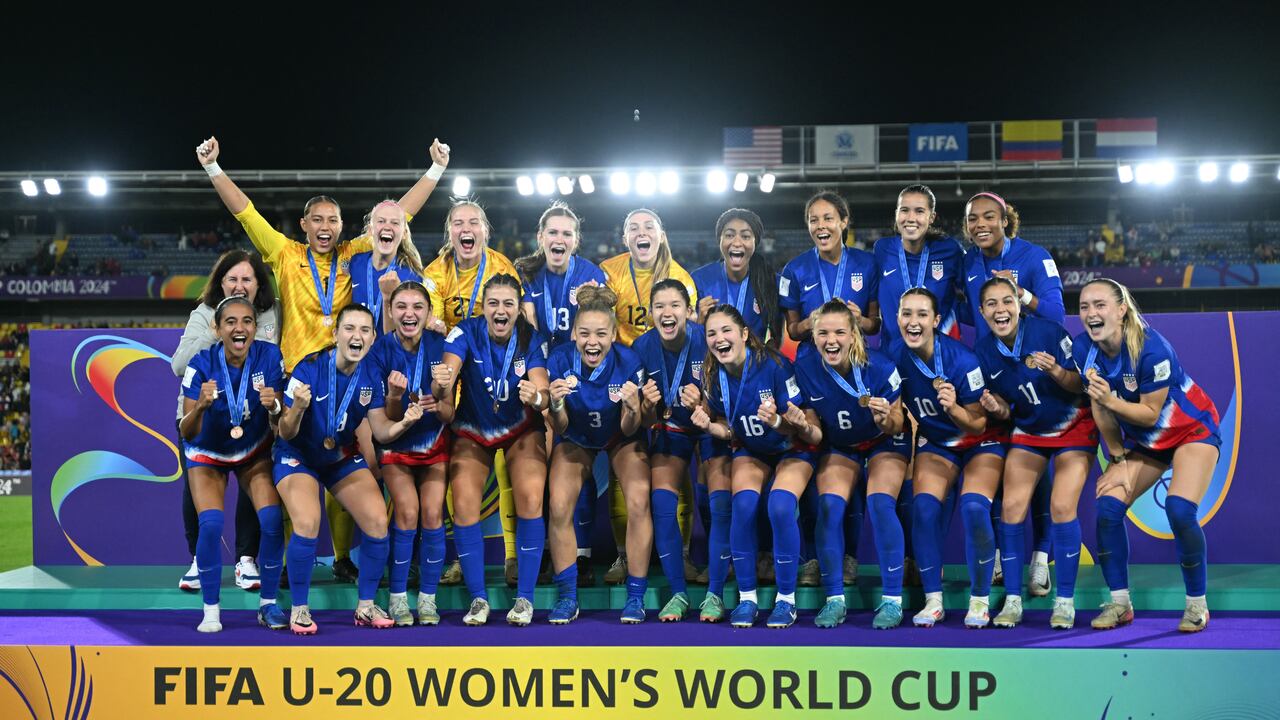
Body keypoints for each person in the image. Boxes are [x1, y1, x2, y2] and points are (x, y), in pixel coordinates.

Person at [197, 135, 449, 584]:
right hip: (300, 380)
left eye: (333, 220)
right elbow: (246, 214)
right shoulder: (285, 255)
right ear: (305, 224)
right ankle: (292, 563)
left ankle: (343, 558)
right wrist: (214, 168)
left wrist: (433, 171)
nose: (326, 227)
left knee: (350, 460)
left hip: (351, 376)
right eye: (317, 220)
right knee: (295, 466)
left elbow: (397, 217)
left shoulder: (352, 253)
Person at [1074, 279, 1220, 632]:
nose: (1091, 313)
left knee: (1179, 509)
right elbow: (1100, 407)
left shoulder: (1152, 349)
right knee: (1108, 508)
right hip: (1147, 443)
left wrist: (1109, 399)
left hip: (1191, 431)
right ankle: (1120, 604)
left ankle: (1196, 605)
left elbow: (1151, 414)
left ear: (1121, 310)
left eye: (1100, 305)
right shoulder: (1083, 350)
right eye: (1084, 307)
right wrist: (1118, 459)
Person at [274, 304, 423, 634]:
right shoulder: (309, 368)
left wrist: (405, 424)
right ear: (335, 334)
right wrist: (297, 408)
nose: (357, 336)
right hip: (298, 456)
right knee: (308, 521)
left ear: (372, 338)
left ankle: (366, 607)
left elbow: (381, 431)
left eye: (364, 330)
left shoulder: (371, 376)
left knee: (376, 521)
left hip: (340, 456)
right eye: (350, 329)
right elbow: (285, 431)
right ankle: (299, 609)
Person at [974, 278, 1096, 629]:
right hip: (1030, 430)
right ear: (982, 312)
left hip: (1074, 424)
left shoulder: (1048, 331)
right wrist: (995, 406)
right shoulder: (984, 352)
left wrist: (1057, 371)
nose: (1001, 310)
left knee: (1060, 506)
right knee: (1011, 507)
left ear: (1018, 304)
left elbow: (1081, 382)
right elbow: (1006, 408)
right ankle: (1012, 601)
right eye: (992, 304)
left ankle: (1065, 602)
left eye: (1007, 302)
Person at [691, 305, 820, 629]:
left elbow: (798, 425)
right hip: (752, 448)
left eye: (726, 331)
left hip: (792, 448)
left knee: (779, 506)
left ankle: (786, 601)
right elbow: (731, 430)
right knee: (744, 505)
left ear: (745, 334)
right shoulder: (713, 375)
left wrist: (778, 420)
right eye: (711, 333)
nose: (719, 339)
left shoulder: (775, 366)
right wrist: (709, 427)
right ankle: (747, 598)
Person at [961, 191, 1066, 590]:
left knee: (1036, 465)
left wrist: (1017, 293)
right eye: (973, 219)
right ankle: (1006, 561)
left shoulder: (1034, 256)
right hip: (993, 368)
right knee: (1000, 461)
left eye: (989, 217)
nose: (981, 225)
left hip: (1037, 366)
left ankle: (1041, 557)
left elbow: (1056, 314)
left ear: (1006, 220)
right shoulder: (970, 261)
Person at [435, 273, 550, 626]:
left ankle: (525, 600)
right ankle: (479, 599)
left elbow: (544, 392)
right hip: (473, 429)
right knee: (465, 504)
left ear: (518, 309)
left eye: (508, 304)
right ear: (483, 307)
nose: (500, 310)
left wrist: (538, 396)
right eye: (493, 303)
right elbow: (450, 369)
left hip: (519, 428)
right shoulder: (463, 332)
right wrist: (443, 381)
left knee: (530, 497)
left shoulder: (531, 336)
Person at [889, 288, 1004, 628]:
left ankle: (980, 601)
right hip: (937, 442)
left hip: (979, 441)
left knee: (973, 507)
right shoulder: (893, 355)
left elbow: (980, 422)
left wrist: (952, 407)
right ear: (897, 319)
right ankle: (933, 600)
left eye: (922, 314)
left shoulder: (962, 361)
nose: (913, 322)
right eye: (906, 314)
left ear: (936, 321)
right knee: (923, 509)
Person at [423, 199, 522, 587]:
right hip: (452, 367)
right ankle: (465, 560)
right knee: (457, 470)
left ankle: (513, 557)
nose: (467, 229)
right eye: (458, 223)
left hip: (495, 370)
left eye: (474, 222)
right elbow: (429, 316)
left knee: (506, 465)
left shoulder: (501, 267)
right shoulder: (436, 271)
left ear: (485, 230)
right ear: (450, 233)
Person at [795, 300, 911, 629]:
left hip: (884, 441)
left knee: (880, 504)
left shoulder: (881, 366)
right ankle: (834, 599)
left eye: (839, 333)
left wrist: (885, 418)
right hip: (841, 445)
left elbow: (899, 423)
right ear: (813, 336)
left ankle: (892, 601)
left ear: (854, 335)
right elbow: (815, 431)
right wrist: (802, 426)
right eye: (823, 333)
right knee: (829, 507)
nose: (831, 340)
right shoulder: (805, 368)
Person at [599, 209, 699, 583]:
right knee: (621, 464)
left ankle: (684, 554)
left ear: (661, 234)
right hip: (624, 377)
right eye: (633, 228)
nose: (641, 234)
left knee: (676, 462)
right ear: (625, 238)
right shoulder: (608, 271)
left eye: (649, 227)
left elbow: (691, 335)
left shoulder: (680, 278)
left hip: (667, 378)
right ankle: (624, 556)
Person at [544, 285, 653, 624]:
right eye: (585, 333)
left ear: (614, 334)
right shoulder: (559, 360)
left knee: (638, 499)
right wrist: (556, 403)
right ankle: (568, 597)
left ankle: (635, 597)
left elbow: (631, 427)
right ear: (574, 333)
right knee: (559, 504)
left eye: (601, 334)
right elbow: (560, 427)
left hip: (619, 436)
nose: (593, 342)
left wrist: (634, 409)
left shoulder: (629, 361)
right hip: (576, 437)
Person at [172, 250, 279, 593]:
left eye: (247, 279)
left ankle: (246, 559)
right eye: (232, 279)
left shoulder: (274, 311)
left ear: (258, 284)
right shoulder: (203, 314)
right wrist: (219, 326)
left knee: (253, 488)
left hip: (252, 416)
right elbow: (179, 365)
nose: (239, 285)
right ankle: (198, 559)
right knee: (196, 491)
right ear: (220, 283)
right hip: (202, 413)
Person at [178, 296, 287, 632]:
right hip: (207, 451)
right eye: (231, 322)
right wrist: (200, 408)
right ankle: (211, 611)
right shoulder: (200, 363)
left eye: (247, 321)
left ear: (255, 327)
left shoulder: (270, 357)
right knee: (210, 525)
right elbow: (186, 428)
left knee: (270, 520)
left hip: (252, 451)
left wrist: (276, 407)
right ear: (217, 328)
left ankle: (268, 605)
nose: (239, 328)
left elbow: (282, 420)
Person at [515, 202, 608, 584]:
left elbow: (602, 324)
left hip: (577, 372)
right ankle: (538, 551)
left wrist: (597, 299)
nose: (559, 239)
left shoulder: (590, 273)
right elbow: (527, 327)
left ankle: (581, 554)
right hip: (538, 368)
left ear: (576, 240)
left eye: (566, 233)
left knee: (574, 457)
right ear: (540, 238)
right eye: (552, 232)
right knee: (541, 463)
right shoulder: (524, 273)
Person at [634, 279, 733, 622]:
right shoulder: (641, 347)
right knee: (662, 503)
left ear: (689, 312)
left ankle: (715, 594)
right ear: (650, 313)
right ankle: (678, 592)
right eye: (659, 306)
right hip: (671, 428)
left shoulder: (708, 340)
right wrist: (646, 404)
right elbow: (644, 420)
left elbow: (730, 394)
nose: (667, 312)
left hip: (711, 426)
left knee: (720, 503)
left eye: (675, 305)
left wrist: (705, 403)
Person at [363, 282, 453, 626]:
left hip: (433, 441)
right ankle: (398, 598)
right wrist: (395, 397)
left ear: (429, 314)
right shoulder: (378, 352)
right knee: (408, 513)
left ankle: (428, 599)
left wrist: (442, 395)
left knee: (432, 515)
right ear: (390, 311)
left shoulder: (441, 347)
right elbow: (384, 418)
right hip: (395, 444)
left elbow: (448, 414)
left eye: (418, 307)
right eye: (401, 306)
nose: (409, 313)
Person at [780, 193, 880, 356]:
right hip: (812, 364)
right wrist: (808, 323)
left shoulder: (868, 263)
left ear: (843, 222)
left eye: (828, 218)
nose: (820, 225)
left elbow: (875, 325)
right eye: (814, 220)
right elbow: (792, 331)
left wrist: (861, 320)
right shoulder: (793, 270)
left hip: (855, 360)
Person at [874, 185, 966, 345]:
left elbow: (973, 293)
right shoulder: (882, 249)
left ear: (932, 217)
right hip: (895, 356)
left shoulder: (950, 250)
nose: (910, 218)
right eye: (904, 210)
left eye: (919, 211)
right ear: (896, 214)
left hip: (939, 354)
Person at [692, 208, 782, 344]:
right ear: (719, 240)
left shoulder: (771, 282)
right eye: (729, 235)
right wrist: (700, 322)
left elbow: (778, 336)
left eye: (745, 236)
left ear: (755, 242)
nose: (737, 243)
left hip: (753, 363)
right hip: (712, 360)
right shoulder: (699, 279)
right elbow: (689, 338)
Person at [348, 200, 427, 336]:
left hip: (388, 355)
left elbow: (400, 338)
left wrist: (390, 297)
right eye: (381, 221)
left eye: (395, 223)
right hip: (355, 353)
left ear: (404, 234)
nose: (387, 227)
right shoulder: (354, 263)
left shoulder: (412, 277)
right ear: (370, 230)